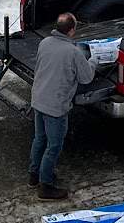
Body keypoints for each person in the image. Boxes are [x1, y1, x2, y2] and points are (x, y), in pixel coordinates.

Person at [29, 12, 93, 200]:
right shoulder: (73, 52)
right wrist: (94, 63)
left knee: (39, 139)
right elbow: (86, 78)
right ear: (72, 30)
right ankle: (45, 186)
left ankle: (34, 176)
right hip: (55, 106)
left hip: (38, 99)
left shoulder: (45, 42)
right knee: (54, 145)